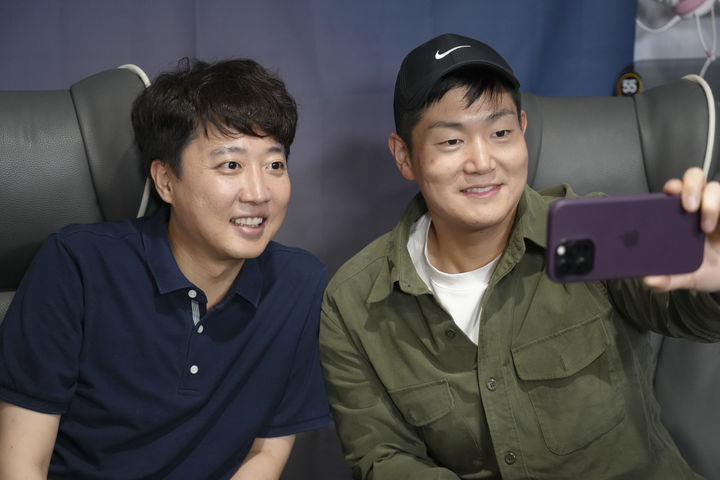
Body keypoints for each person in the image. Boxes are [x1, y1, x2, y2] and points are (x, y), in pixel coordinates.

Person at [319, 33, 720, 479]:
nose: (482, 162)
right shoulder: (353, 303)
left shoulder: (595, 232)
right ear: (404, 156)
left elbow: (690, 316)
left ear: (523, 130)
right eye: (451, 141)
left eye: (500, 133)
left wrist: (714, 276)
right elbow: (382, 456)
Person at [0, 58, 330, 479]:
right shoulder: (76, 264)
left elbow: (266, 453)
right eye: (231, 165)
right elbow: (22, 463)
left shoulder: (300, 283)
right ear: (166, 180)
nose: (259, 192)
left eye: (274, 165)